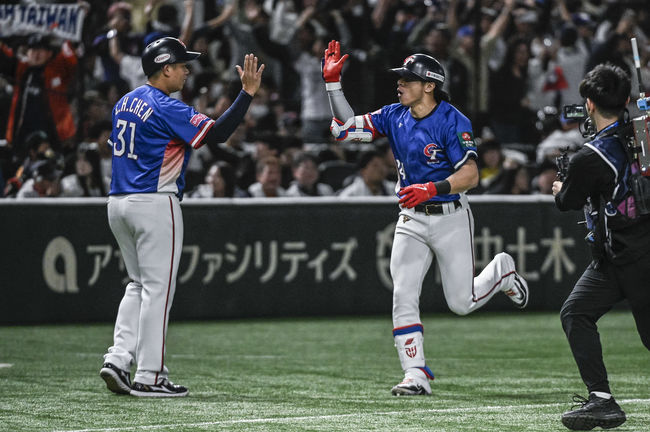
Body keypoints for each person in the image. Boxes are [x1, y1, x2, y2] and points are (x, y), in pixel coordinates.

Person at [322, 40, 529, 396]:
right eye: (400, 78)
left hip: (449, 215)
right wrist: (333, 85)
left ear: (429, 85)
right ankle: (414, 374)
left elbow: (471, 175)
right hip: (411, 218)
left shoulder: (452, 120)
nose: (399, 84)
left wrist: (432, 188)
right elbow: (343, 128)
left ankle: (501, 271)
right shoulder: (394, 115)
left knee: (461, 304)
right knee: (403, 293)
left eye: (407, 79)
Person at [99, 37, 264, 397]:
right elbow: (217, 134)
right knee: (158, 291)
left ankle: (118, 357)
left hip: (118, 202)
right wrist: (246, 94)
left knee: (137, 285)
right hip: (154, 202)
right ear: (165, 68)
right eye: (182, 64)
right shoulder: (165, 105)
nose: (187, 70)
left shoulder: (124, 102)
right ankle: (150, 374)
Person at [552, 64, 649, 430]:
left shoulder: (590, 156)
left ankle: (603, 400)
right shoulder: (643, 136)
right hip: (615, 257)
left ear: (589, 104)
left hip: (630, 253)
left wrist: (562, 187)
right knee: (576, 312)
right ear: (626, 100)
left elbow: (567, 201)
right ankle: (602, 401)